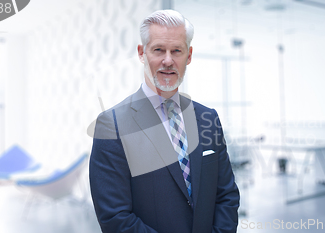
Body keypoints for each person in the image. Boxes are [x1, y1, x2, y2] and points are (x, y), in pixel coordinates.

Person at [89, 10, 240, 233]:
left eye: (176, 51)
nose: (168, 60)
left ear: (188, 56)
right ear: (142, 53)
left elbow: (226, 196)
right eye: (158, 50)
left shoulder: (208, 118)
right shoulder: (112, 125)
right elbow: (115, 218)